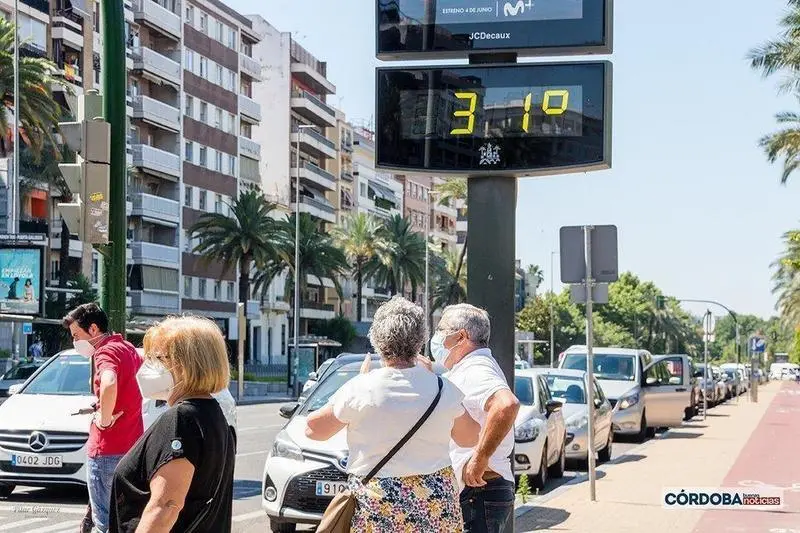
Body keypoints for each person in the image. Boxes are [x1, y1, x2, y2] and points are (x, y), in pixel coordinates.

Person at [305, 296, 479, 532]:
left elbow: (313, 430)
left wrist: (356, 383)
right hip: (436, 506)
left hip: (379, 505)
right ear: (420, 340)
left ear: (377, 339)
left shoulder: (361, 387)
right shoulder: (443, 389)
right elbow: (469, 437)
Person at [109, 316, 235, 533]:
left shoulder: (181, 419)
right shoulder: (213, 414)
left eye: (157, 357)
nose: (148, 365)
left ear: (186, 364)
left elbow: (166, 507)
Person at [428, 303, 521, 533]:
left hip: (479, 491)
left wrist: (479, 458)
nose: (437, 337)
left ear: (461, 336)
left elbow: (506, 404)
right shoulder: (471, 366)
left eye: (441, 330)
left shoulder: (476, 369)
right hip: (479, 491)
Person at [62, 303, 143, 533]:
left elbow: (109, 382)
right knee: (125, 522)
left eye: (76, 335)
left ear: (94, 329)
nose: (74, 341)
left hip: (107, 450)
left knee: (105, 524)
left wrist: (103, 419)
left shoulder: (105, 352)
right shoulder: (127, 348)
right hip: (132, 448)